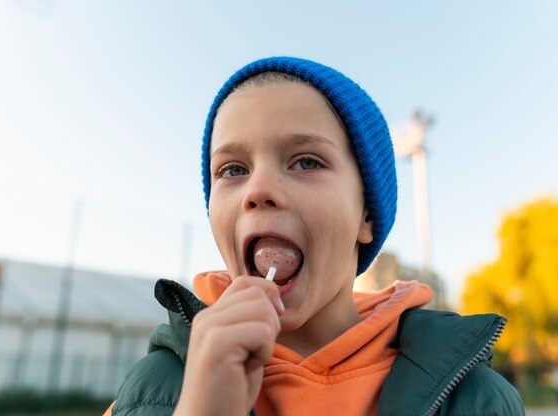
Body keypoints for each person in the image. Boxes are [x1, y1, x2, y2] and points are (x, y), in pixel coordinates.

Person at [105, 57, 524, 415]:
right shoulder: (152, 389)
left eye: (306, 162)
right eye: (233, 170)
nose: (259, 190)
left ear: (367, 217)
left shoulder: (474, 398)